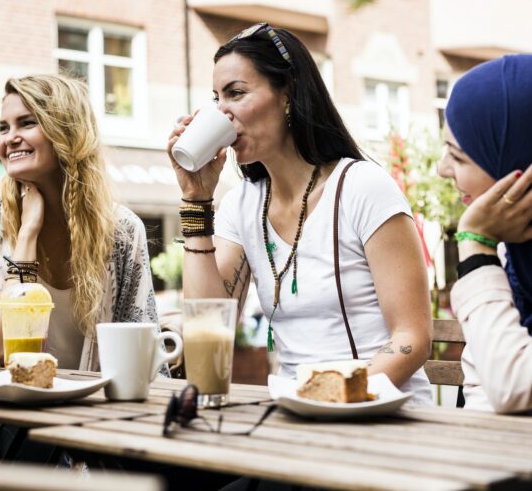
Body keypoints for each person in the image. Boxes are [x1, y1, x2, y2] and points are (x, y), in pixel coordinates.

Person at [168, 23, 432, 403]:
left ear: (287, 94)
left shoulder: (363, 187)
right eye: (216, 100)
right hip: (297, 412)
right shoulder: (241, 204)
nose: (221, 114)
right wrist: (196, 200)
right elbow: (208, 326)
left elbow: (412, 339)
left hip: (379, 412)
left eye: (236, 93)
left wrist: (333, 396)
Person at [0, 74, 165, 460]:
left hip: (99, 421)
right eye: (4, 128)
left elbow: (145, 345)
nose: (9, 139)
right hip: (5, 425)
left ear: (65, 131)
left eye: (27, 122)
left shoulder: (121, 230)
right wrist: (26, 239)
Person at [438, 54, 532, 413]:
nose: (441, 169)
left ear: (517, 166)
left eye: (458, 157)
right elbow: (481, 393)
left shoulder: (491, 254)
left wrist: (475, 244)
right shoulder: (514, 258)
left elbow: (513, 386)